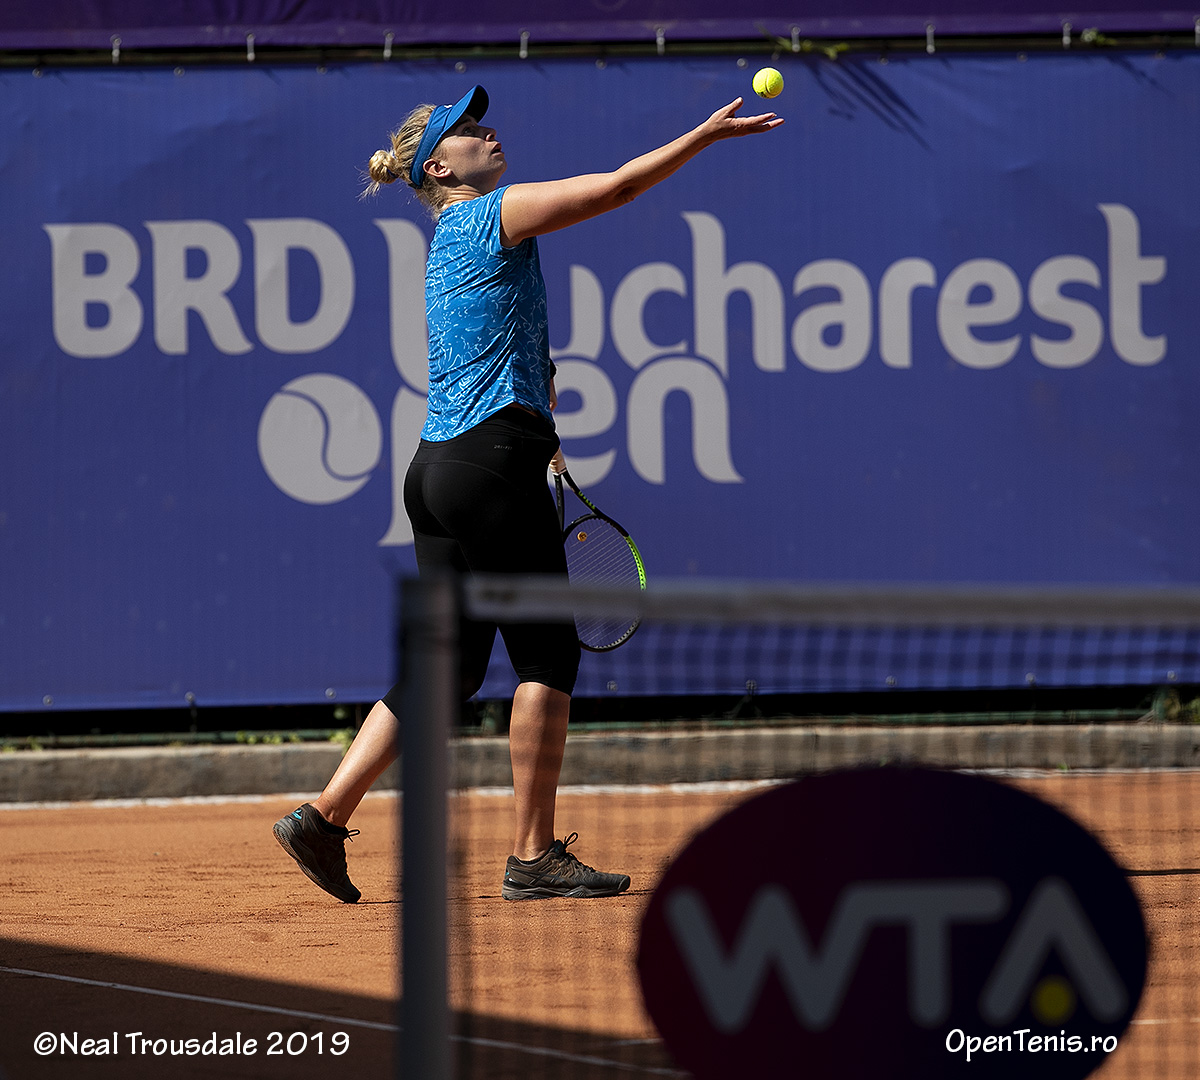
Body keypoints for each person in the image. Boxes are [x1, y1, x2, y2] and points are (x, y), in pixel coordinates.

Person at [273, 84, 782, 903]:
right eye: (467, 131)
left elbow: (509, 351)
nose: (488, 132)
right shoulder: (490, 215)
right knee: (547, 656)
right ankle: (534, 855)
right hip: (490, 467)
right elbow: (616, 188)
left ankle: (324, 816)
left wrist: (537, 412)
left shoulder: (448, 241)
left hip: (437, 472)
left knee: (448, 668)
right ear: (441, 167)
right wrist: (703, 136)